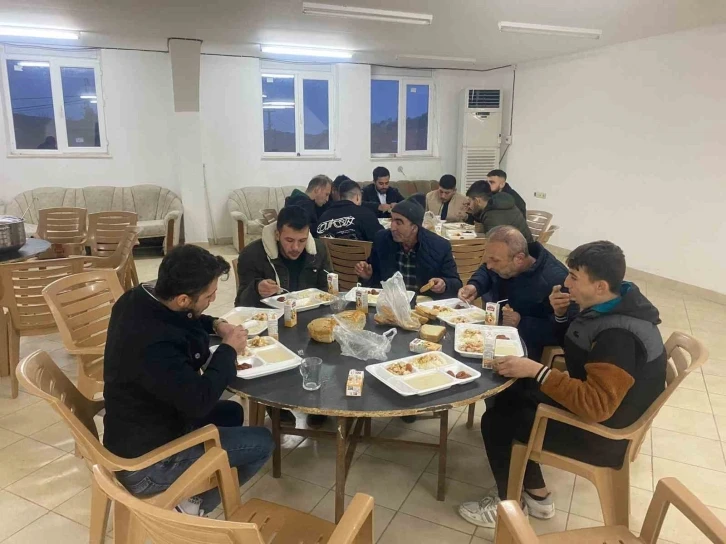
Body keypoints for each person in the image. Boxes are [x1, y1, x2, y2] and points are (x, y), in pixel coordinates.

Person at [459, 241, 666, 530]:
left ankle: (508, 505)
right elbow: (577, 348)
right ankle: (538, 495)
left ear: (600, 286)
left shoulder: (618, 336)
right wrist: (560, 316)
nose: (566, 283)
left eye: (574, 277)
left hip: (603, 435)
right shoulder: (611, 304)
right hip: (603, 408)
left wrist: (537, 370)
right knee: (510, 393)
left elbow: (596, 406)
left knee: (497, 421)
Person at [103, 245, 274, 517]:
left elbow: (185, 319)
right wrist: (228, 349)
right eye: (209, 295)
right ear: (183, 299)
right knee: (262, 442)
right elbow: (200, 401)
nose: (213, 299)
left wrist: (216, 324)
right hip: (146, 465)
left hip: (142, 425)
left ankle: (199, 486)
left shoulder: (138, 298)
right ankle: (192, 507)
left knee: (232, 412)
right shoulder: (155, 344)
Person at [235, 206, 330, 427]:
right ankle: (277, 404)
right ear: (277, 234)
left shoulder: (318, 250)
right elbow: (240, 303)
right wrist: (256, 288)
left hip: (308, 320)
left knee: (327, 350)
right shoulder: (253, 254)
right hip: (271, 325)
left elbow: (326, 289)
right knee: (274, 354)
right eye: (289, 240)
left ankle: (317, 401)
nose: (296, 247)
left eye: (302, 240)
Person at [458, 226, 575, 363]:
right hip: (491, 333)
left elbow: (565, 331)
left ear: (519, 259)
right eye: (488, 260)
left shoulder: (555, 280)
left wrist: (522, 322)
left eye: (495, 260)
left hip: (526, 350)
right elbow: (487, 270)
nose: (489, 265)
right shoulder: (504, 259)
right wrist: (475, 285)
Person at [355, 198, 462, 297]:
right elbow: (376, 281)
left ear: (414, 228)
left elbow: (456, 283)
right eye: (392, 220)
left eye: (398, 223)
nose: (392, 228)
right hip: (390, 302)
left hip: (423, 304)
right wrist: (367, 276)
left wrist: (444, 284)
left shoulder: (439, 246)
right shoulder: (382, 240)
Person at [465, 180, 533, 242]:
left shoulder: (492, 215)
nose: (469, 206)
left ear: (477, 201)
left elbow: (494, 244)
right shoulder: (498, 203)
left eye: (470, 202)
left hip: (521, 249)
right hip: (524, 245)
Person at [317, 179, 384, 241]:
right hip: (360, 250)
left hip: (330, 250)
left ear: (340, 197)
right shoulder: (366, 214)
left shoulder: (323, 217)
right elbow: (380, 238)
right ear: (357, 197)